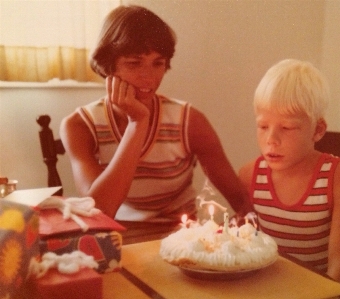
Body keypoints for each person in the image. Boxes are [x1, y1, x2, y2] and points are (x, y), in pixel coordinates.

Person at [60, 5, 250, 243]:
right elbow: (100, 211)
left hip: (181, 240)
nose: (148, 77)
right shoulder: (79, 126)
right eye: (134, 63)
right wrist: (137, 122)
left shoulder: (189, 121)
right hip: (117, 239)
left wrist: (241, 231)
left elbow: (242, 201)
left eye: (157, 63)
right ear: (108, 65)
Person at [238, 59, 340, 290]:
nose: (271, 139)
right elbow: (240, 251)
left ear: (318, 130)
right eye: (263, 126)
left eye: (287, 127)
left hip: (322, 292)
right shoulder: (249, 175)